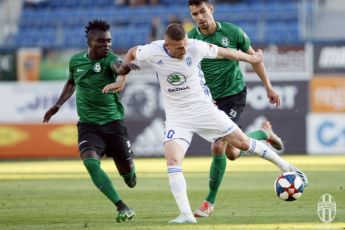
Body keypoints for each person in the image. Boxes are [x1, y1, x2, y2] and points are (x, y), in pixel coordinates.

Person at [102, 23, 308, 224]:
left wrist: (251, 58)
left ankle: (287, 167)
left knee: (242, 144)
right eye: (179, 47)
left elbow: (227, 52)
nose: (184, 50)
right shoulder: (152, 51)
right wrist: (121, 81)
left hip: (205, 110)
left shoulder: (194, 46)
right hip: (177, 117)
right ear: (167, 45)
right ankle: (185, 215)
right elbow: (130, 54)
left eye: (185, 44)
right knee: (173, 162)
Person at [187, 0, 307, 218]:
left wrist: (268, 87)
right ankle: (264, 134)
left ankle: (208, 203)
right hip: (209, 102)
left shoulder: (233, 33)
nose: (200, 17)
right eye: (195, 14)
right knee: (232, 153)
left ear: (211, 9)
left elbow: (255, 59)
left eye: (202, 11)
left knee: (218, 146)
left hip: (233, 96)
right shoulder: (191, 40)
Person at [43, 20, 139, 223]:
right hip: (88, 125)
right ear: (90, 41)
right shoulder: (76, 61)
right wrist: (58, 105)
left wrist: (126, 67)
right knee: (90, 163)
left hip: (114, 124)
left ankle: (129, 172)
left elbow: (119, 68)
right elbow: (71, 82)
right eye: (102, 41)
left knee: (129, 178)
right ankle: (121, 207)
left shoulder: (110, 59)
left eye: (109, 41)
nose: (107, 45)